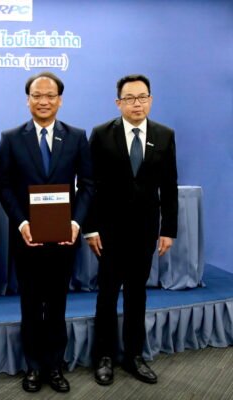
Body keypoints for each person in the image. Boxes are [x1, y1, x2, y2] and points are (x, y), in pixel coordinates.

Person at [0, 72, 94, 393]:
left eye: (50, 95)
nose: (43, 101)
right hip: (27, 239)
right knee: (30, 304)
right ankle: (33, 367)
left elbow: (88, 185)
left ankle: (54, 366)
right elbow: (4, 186)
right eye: (37, 95)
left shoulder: (77, 137)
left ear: (60, 100)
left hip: (64, 239)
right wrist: (22, 223)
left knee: (56, 305)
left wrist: (76, 223)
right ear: (28, 100)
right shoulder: (11, 138)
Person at [84, 74, 178, 386]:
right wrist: (90, 228)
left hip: (145, 230)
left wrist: (169, 229)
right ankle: (104, 356)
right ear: (118, 102)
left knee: (137, 294)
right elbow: (89, 185)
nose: (137, 103)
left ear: (150, 99)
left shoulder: (164, 135)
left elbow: (170, 186)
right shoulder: (101, 134)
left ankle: (134, 355)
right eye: (129, 98)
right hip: (108, 232)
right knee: (107, 294)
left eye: (142, 97)